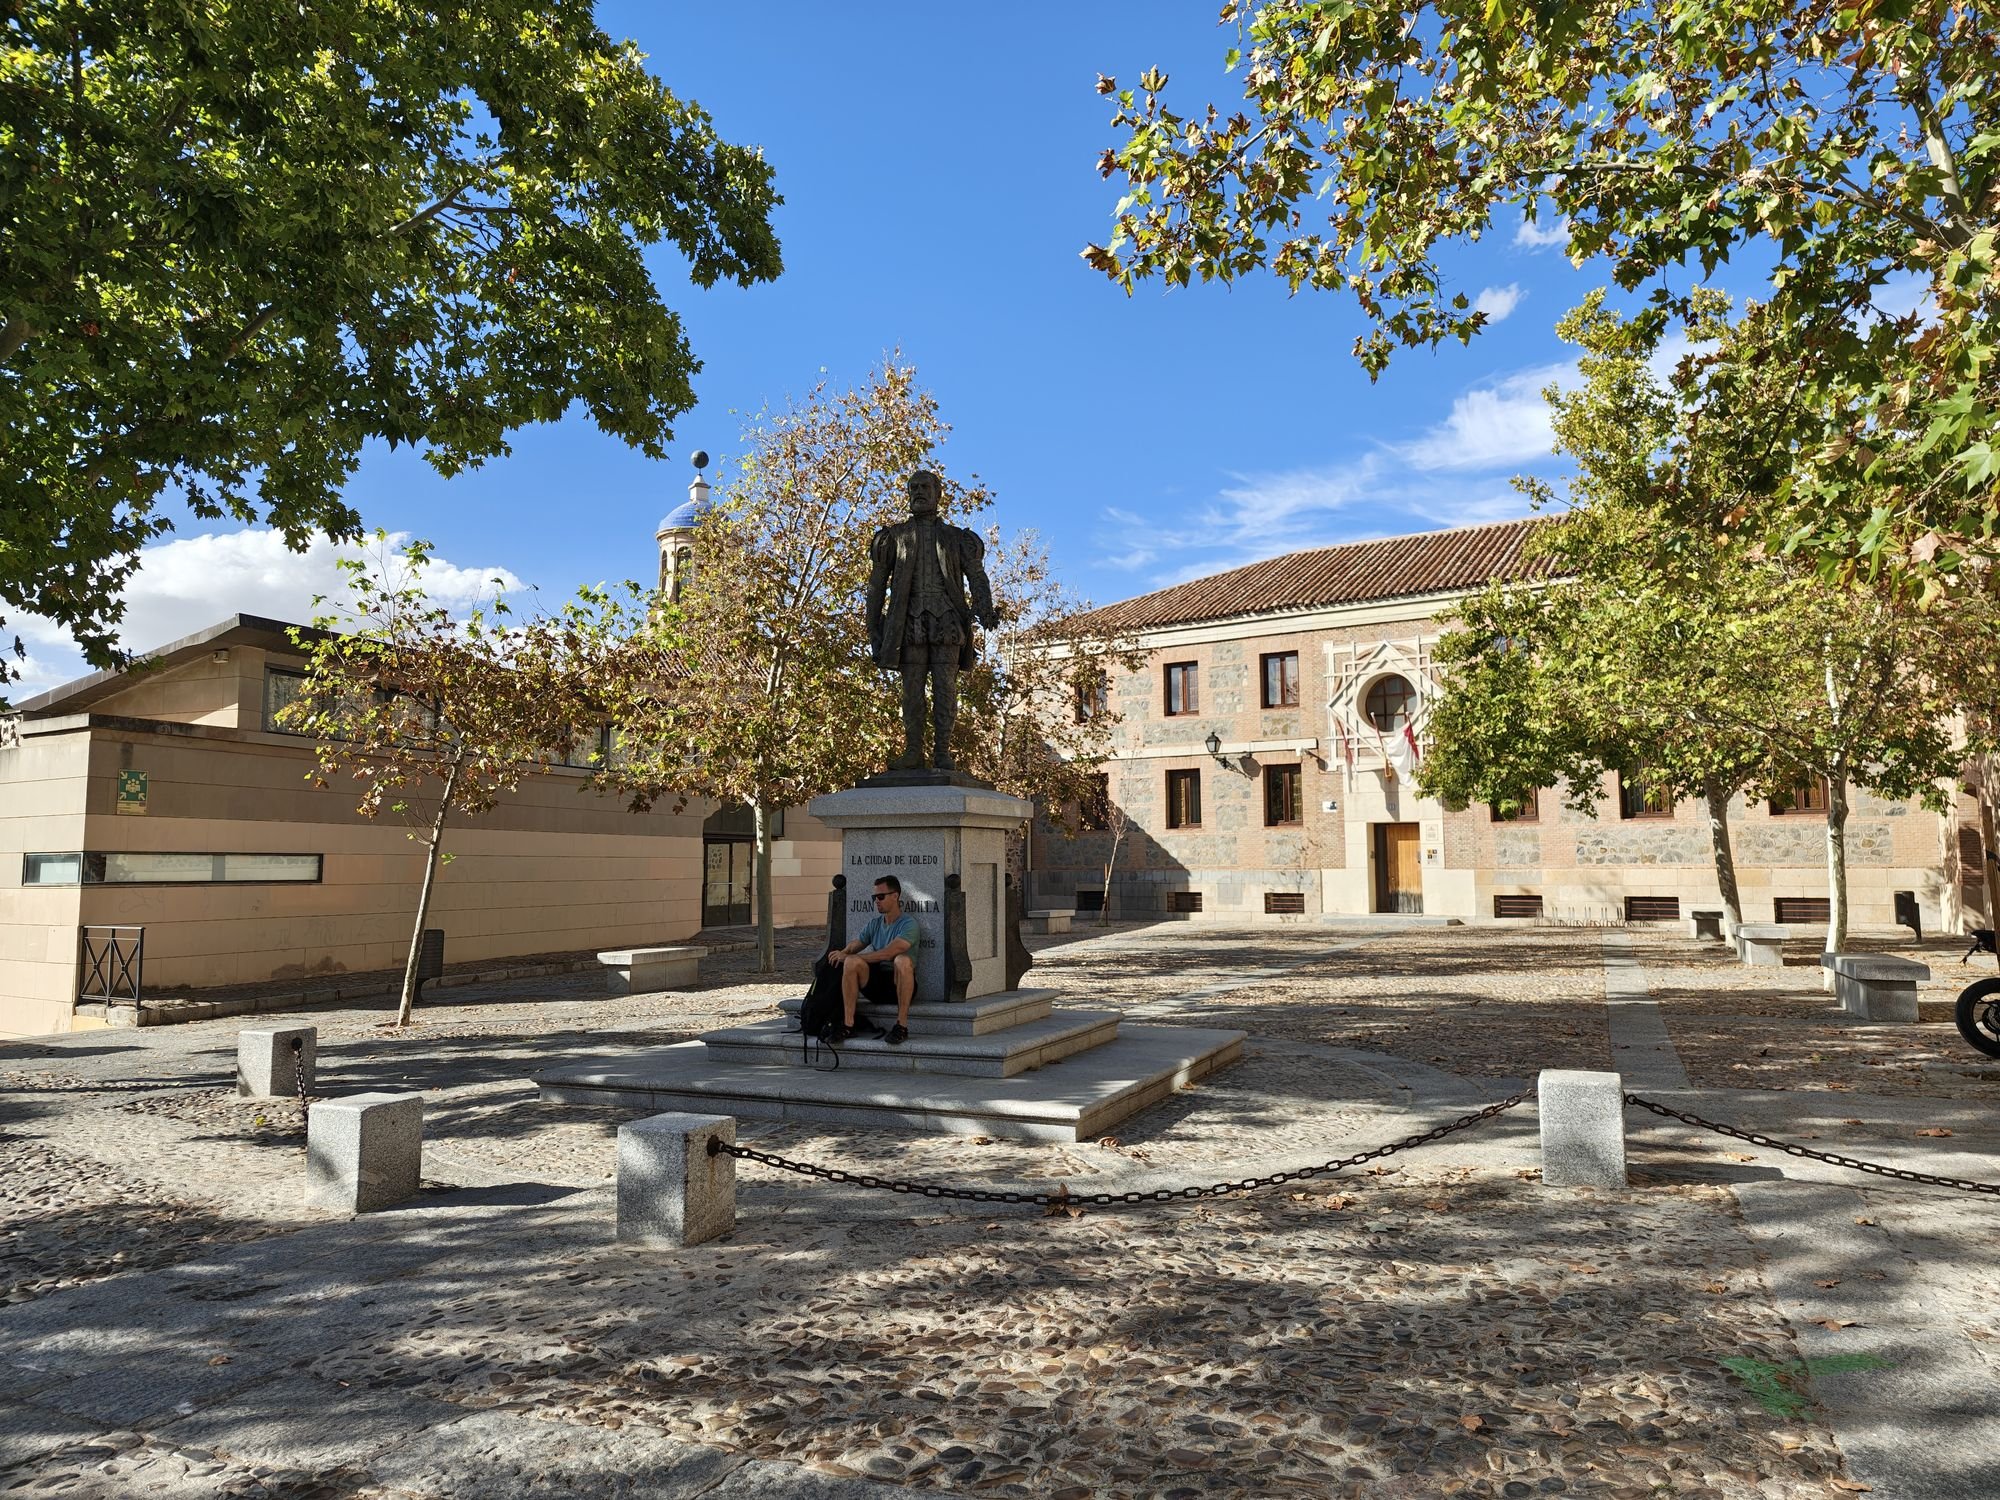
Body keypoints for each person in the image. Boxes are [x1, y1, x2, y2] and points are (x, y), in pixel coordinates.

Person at [864, 469, 999, 771]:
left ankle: (942, 751)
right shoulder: (892, 538)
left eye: (925, 487)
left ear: (939, 494)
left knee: (945, 689)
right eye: (914, 488)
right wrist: (873, 628)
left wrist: (985, 608)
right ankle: (913, 751)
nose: (919, 492)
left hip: (947, 624)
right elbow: (876, 585)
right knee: (911, 690)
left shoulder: (957, 538)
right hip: (908, 624)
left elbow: (977, 576)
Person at [823, 874, 918, 1045]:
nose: (877, 901)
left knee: (901, 960)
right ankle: (848, 1025)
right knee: (851, 961)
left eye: (881, 896)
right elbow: (856, 944)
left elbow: (889, 953)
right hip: (876, 984)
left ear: (895, 896)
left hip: (899, 983)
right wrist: (842, 953)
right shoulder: (874, 924)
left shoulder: (908, 924)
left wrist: (850, 956)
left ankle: (901, 1026)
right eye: (874, 897)